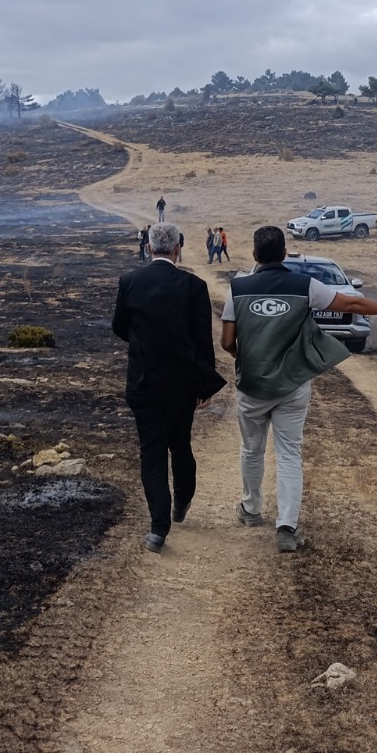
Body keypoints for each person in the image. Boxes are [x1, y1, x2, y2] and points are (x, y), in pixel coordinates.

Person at [220, 225, 377, 552]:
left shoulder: (237, 289)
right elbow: (351, 305)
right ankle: (286, 527)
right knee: (289, 454)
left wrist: (248, 356)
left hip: (252, 386)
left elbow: (227, 342)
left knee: (251, 449)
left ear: (254, 255)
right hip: (293, 386)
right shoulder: (305, 285)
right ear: (284, 253)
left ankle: (251, 510)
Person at [112, 223, 226, 552]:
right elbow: (203, 339)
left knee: (152, 453)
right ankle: (182, 504)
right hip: (182, 385)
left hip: (144, 381)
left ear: (149, 248)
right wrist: (204, 384)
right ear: (178, 248)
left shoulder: (130, 281)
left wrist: (145, 343)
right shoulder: (194, 286)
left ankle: (158, 529)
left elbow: (119, 325)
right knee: (180, 445)